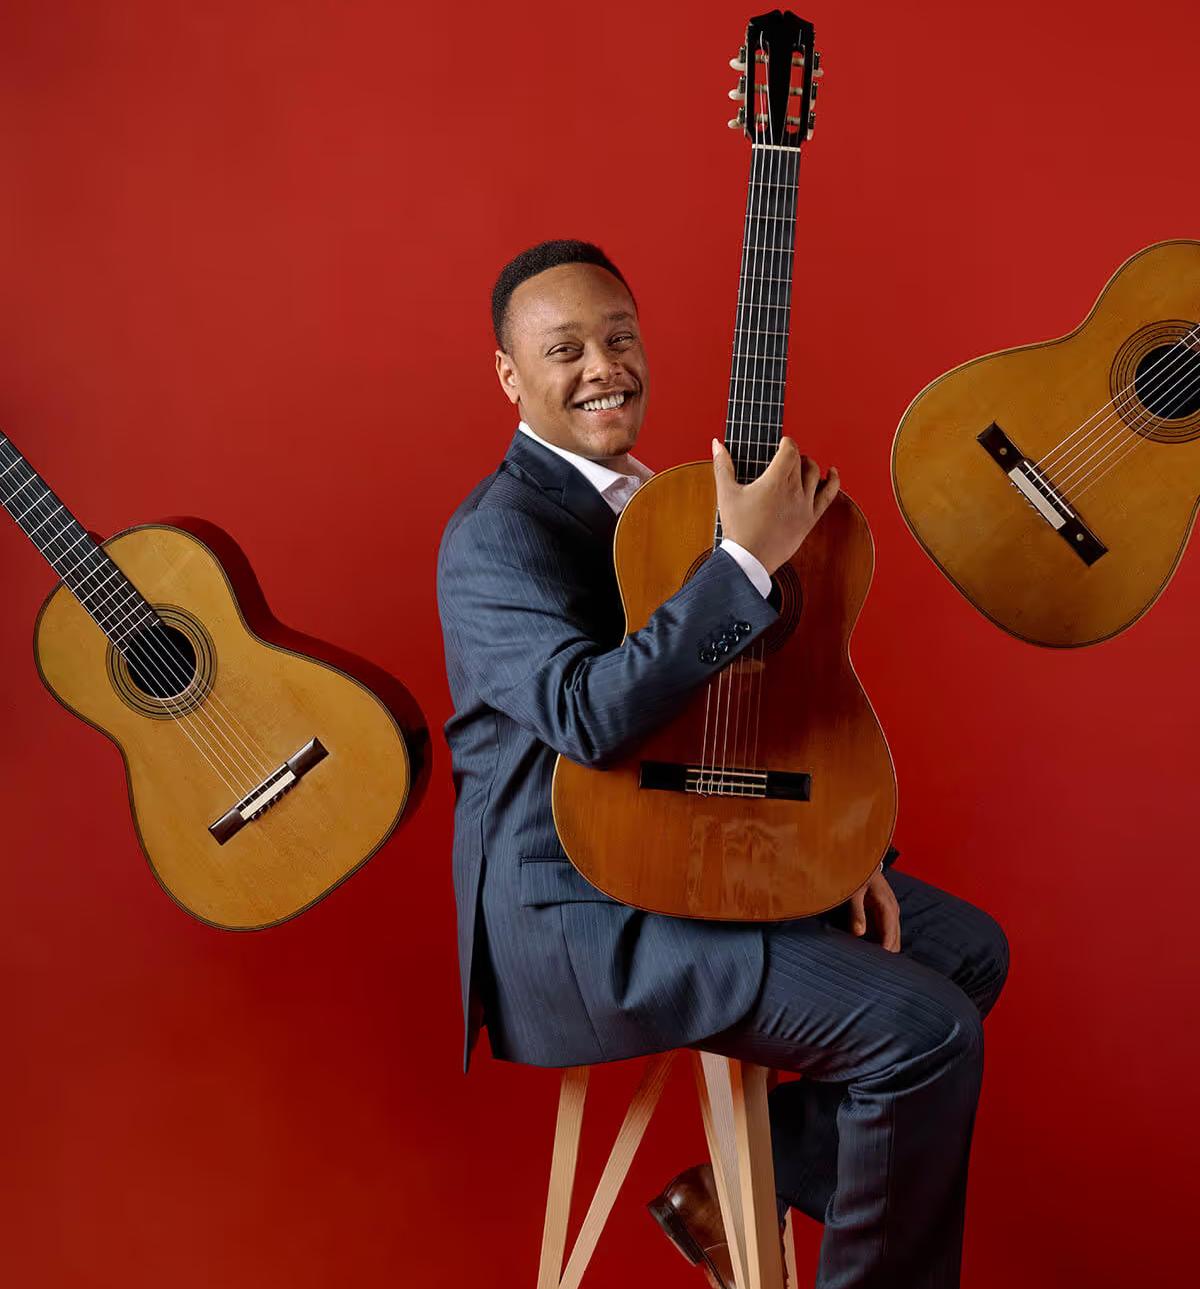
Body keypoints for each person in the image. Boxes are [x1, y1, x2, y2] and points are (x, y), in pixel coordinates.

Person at [436, 239, 1009, 1289]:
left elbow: (728, 713)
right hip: (582, 920)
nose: (603, 366)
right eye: (564, 349)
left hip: (690, 857)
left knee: (967, 952)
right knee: (923, 1030)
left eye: (618, 336)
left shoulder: (667, 499)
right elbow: (589, 714)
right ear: (512, 377)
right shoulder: (496, 535)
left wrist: (829, 849)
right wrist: (743, 558)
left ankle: (744, 1182)